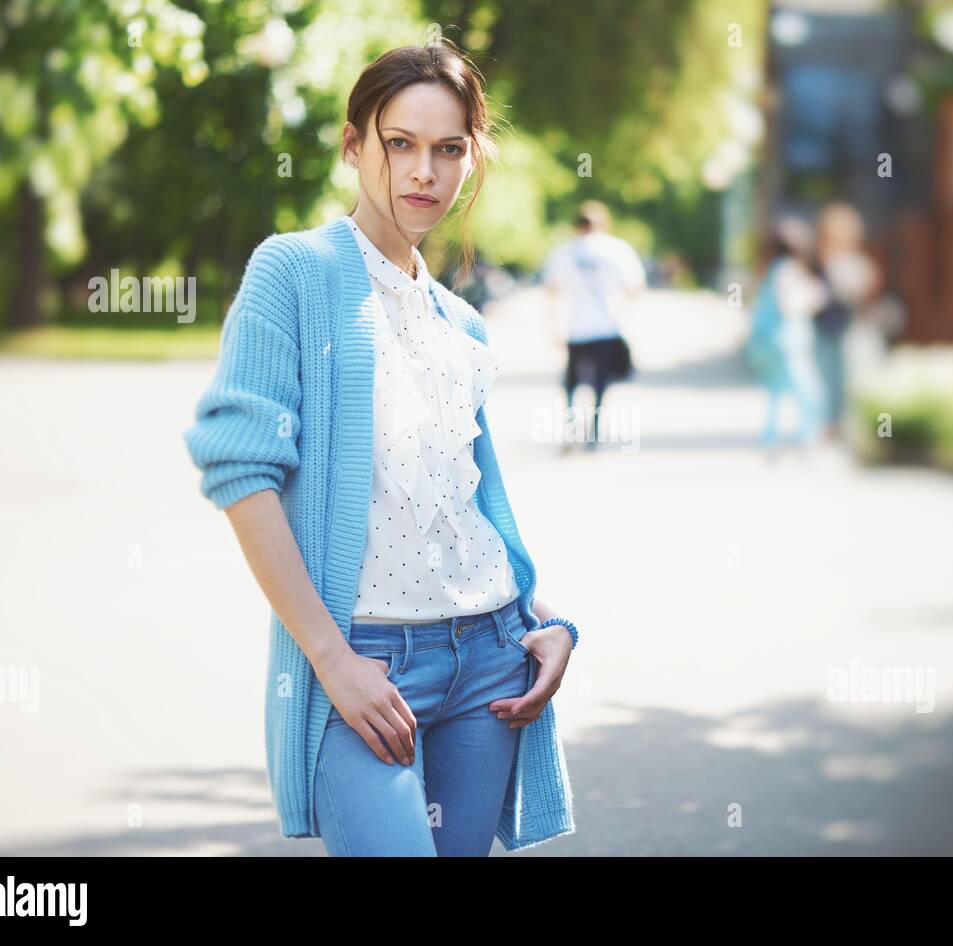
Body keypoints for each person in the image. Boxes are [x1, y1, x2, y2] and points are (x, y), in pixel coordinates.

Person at [182, 40, 576, 856]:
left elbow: (462, 504)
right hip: (365, 662)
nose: (423, 171)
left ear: (472, 159)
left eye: (448, 148)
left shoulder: (458, 325)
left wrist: (548, 620)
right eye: (400, 143)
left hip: (489, 661)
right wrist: (331, 660)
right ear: (356, 145)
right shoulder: (294, 272)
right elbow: (239, 467)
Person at [542, 200, 646, 451]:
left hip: (576, 328)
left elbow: (552, 290)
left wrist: (556, 326)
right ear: (603, 224)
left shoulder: (564, 252)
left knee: (572, 381)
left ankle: (570, 426)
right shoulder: (617, 250)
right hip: (607, 327)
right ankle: (593, 433)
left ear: (576, 224)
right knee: (600, 382)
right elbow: (634, 288)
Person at [745, 216, 827, 452]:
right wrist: (816, 296)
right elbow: (789, 304)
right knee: (810, 392)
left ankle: (770, 439)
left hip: (769, 343)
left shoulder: (769, 269)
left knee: (775, 391)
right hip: (787, 342)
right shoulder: (787, 270)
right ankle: (808, 438)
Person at [813, 201, 880, 441]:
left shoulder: (848, 265)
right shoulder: (826, 264)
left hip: (845, 330)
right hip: (829, 330)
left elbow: (862, 295)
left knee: (843, 377)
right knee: (831, 378)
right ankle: (834, 423)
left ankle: (841, 424)